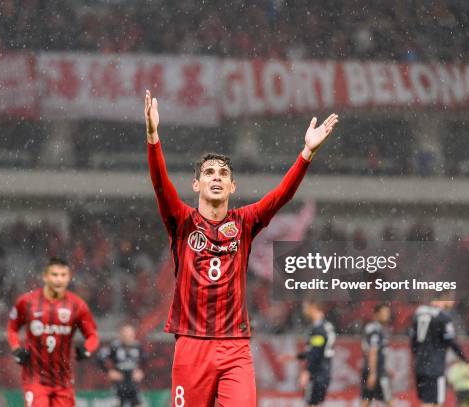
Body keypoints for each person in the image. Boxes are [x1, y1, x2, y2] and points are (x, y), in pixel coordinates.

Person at [144, 90, 339, 407]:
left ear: (233, 185)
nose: (216, 177)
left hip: (234, 346)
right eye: (209, 173)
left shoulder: (245, 222)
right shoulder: (181, 221)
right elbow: (159, 183)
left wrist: (306, 154)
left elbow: (280, 197)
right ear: (196, 184)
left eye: (223, 173)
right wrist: (153, 137)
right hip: (191, 345)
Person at [7, 258, 99, 407]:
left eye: (63, 275)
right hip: (35, 378)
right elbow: (12, 327)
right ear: (45, 276)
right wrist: (16, 348)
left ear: (69, 277)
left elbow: (92, 335)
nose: (59, 279)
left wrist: (87, 349)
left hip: (63, 380)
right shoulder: (27, 302)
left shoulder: (77, 305)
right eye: (54, 275)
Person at [410, 300, 469, 407]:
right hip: (435, 368)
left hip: (420, 366)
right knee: (436, 402)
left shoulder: (418, 314)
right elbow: (452, 342)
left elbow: (413, 342)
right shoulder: (443, 317)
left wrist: (417, 357)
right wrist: (467, 360)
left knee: (426, 401)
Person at [297, 300, 336, 407]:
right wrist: (297, 356)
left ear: (313, 307)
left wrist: (308, 371)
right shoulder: (327, 326)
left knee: (311, 403)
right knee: (316, 403)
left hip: (316, 372)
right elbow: (317, 349)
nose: (304, 310)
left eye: (305, 307)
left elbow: (316, 352)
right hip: (324, 371)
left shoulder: (319, 329)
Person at [97, 324, 145, 407]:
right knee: (118, 403)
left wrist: (141, 371)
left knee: (138, 404)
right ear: (121, 335)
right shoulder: (114, 346)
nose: (127, 337)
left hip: (133, 383)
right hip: (119, 383)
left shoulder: (138, 346)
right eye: (125, 335)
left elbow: (145, 360)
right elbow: (100, 358)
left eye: (130, 335)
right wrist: (109, 371)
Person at [361, 303, 393, 407]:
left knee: (367, 399)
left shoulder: (378, 329)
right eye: (384, 312)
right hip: (376, 371)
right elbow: (373, 351)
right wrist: (373, 372)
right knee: (388, 400)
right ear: (376, 314)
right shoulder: (375, 330)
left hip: (373, 369)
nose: (387, 314)